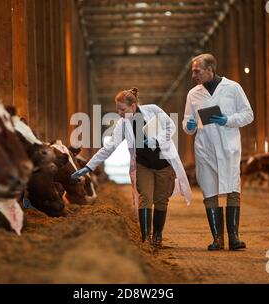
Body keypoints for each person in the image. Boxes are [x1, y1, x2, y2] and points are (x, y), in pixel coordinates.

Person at [71, 87, 192, 248]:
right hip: (143, 165)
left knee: (161, 201)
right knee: (145, 198)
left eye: (122, 109)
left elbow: (171, 127)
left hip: (164, 164)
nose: (119, 113)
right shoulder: (122, 124)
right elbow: (109, 147)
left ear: (133, 106)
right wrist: (88, 167)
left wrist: (156, 140)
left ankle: (157, 237)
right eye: (117, 109)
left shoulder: (153, 110)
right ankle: (145, 238)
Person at [182, 54, 254, 251]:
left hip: (228, 147)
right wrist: (188, 125)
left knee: (232, 189)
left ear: (210, 70)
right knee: (209, 191)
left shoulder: (233, 88)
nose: (193, 75)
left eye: (197, 71)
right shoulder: (193, 94)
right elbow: (187, 122)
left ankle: (234, 238)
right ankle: (217, 239)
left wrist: (228, 120)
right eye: (193, 72)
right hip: (205, 148)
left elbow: (248, 114)